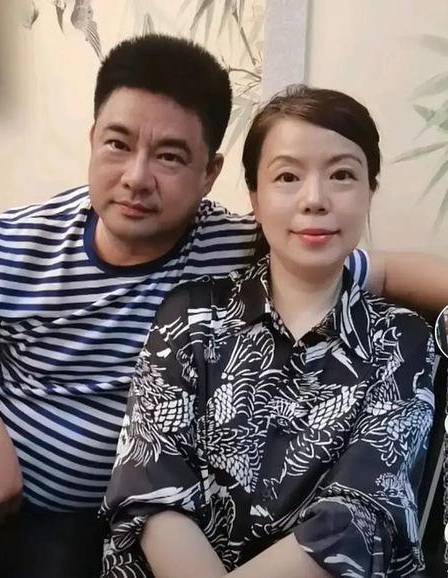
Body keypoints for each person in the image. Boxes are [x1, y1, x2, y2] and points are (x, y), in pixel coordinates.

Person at [0, 34, 445, 577]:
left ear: (210, 173)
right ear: (92, 141)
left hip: (110, 534)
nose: (136, 178)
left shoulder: (248, 245)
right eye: (117, 144)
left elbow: (378, 270)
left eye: (169, 156)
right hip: (2, 505)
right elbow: (153, 479)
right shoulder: (9, 246)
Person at [101, 86, 435, 578]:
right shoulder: (190, 316)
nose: (315, 199)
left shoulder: (403, 342)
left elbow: (359, 517)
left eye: (342, 175)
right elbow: (152, 488)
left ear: (370, 192)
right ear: (255, 199)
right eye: (287, 176)